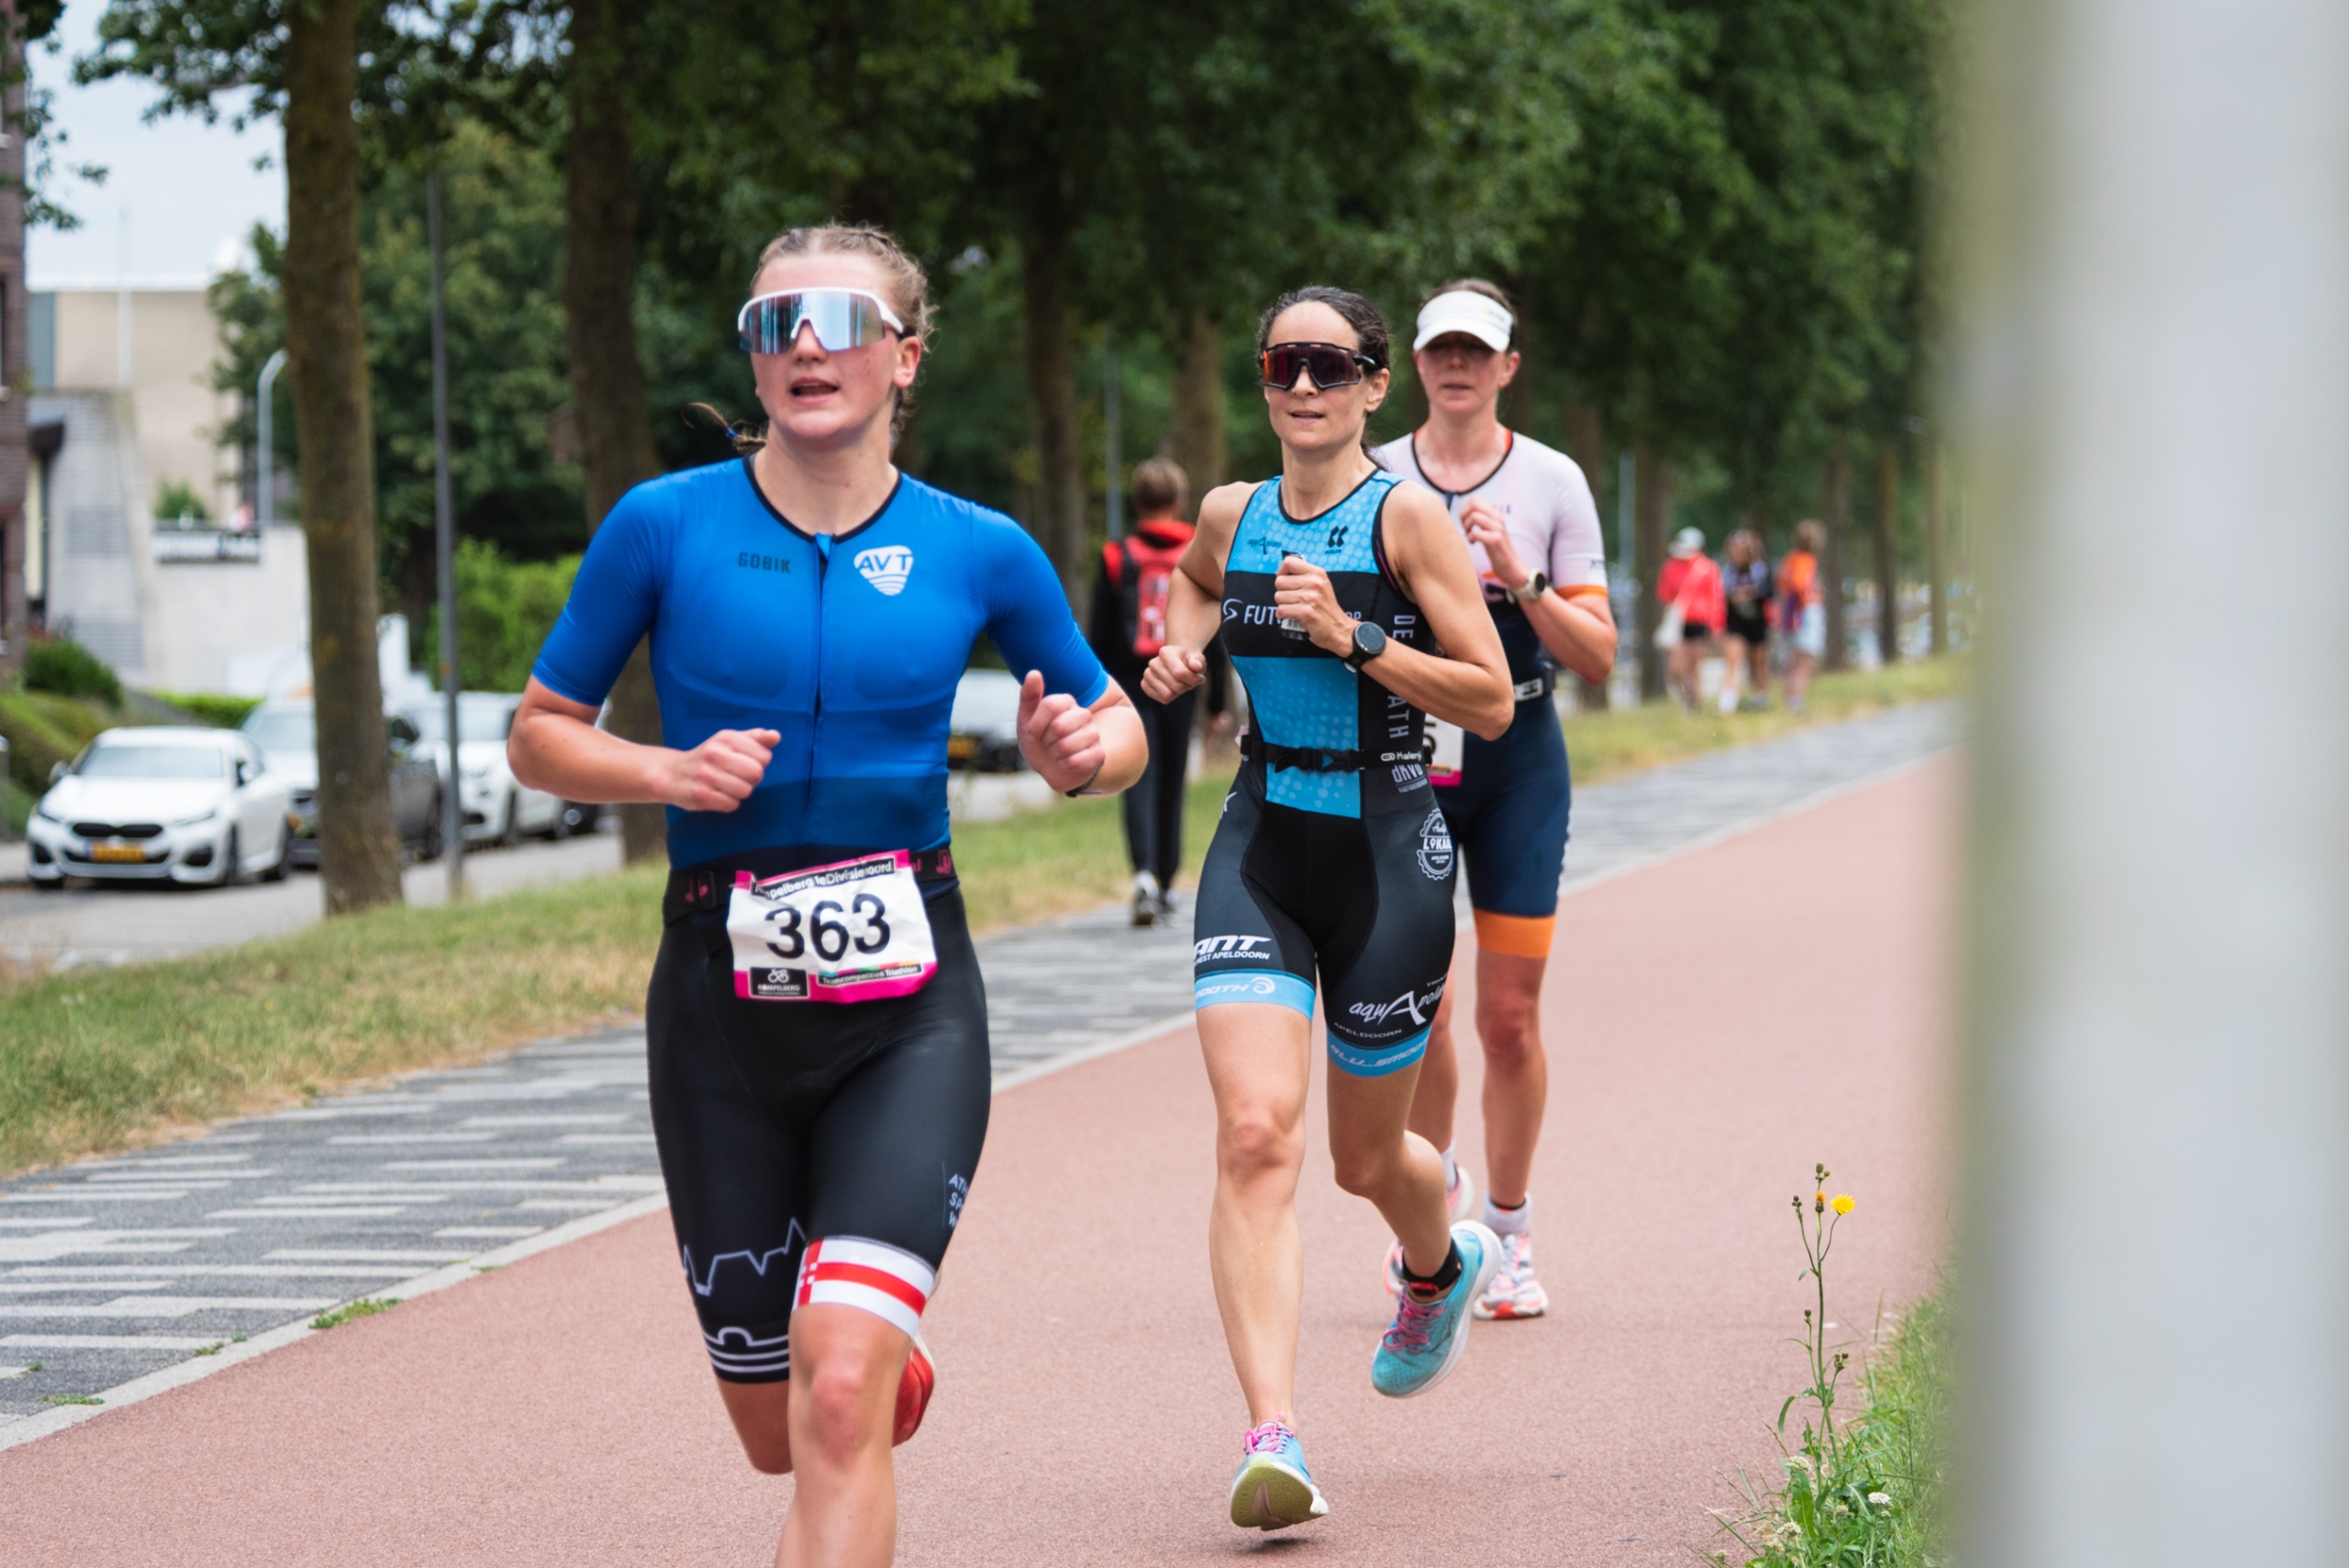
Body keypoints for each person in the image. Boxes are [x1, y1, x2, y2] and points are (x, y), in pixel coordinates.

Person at [507, 223, 1146, 1568]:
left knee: (835, 1397)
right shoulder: (661, 525)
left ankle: (859, 1349)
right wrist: (663, 768)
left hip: (909, 1007)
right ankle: (860, 1349)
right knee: (772, 1429)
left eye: (843, 320)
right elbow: (539, 732)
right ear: (752, 354)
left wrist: (1085, 753)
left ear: (904, 359)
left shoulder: (980, 548)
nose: (806, 341)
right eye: (775, 319)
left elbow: (1117, 720)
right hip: (716, 1006)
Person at [1142, 284, 1517, 1533]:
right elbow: (1196, 583)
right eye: (1281, 363)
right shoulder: (1229, 513)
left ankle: (1438, 1259)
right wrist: (1181, 646)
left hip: (1388, 846)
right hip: (1259, 839)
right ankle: (1274, 1436)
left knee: (1367, 1160)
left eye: (1330, 364)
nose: (1303, 385)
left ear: (1373, 384)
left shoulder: (1405, 517)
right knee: (1257, 1136)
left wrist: (1356, 639)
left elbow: (1492, 697)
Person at [1367, 280, 1618, 1322]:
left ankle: (1508, 1234)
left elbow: (1598, 654)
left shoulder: (1552, 480)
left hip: (1517, 757)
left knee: (1509, 1017)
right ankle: (1440, 1215)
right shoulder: (1372, 475)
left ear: (1510, 366)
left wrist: (1520, 578)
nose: (1458, 366)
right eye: (1440, 351)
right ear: (1416, 366)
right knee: (1415, 1014)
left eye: (1479, 351)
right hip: (1405, 758)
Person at [1087, 456, 1229, 926]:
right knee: (1172, 780)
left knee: (1135, 779)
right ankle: (1168, 882)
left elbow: (1100, 633)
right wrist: (1218, 702)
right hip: (1181, 679)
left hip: (1129, 684)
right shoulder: (1198, 550)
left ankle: (1144, 875)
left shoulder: (1116, 556)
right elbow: (1220, 631)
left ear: (1137, 502)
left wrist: (1095, 697)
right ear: (1180, 501)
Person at [1657, 526, 1725, 711]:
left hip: (1699, 623)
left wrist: (1715, 626)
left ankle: (1694, 705)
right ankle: (1686, 701)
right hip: (1679, 623)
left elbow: (1715, 598)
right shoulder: (1671, 566)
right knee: (1676, 669)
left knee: (1693, 668)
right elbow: (1664, 593)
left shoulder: (1707, 568)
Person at [1721, 528, 1774, 713]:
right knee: (1732, 658)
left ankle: (1761, 696)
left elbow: (1768, 592)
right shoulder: (1729, 570)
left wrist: (1750, 594)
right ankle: (1728, 701)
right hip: (1736, 622)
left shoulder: (1760, 569)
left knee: (1758, 662)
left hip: (1757, 622)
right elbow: (1722, 594)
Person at [1778, 519, 1828, 713]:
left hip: (1791, 612)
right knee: (1805, 657)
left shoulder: (1789, 559)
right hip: (1805, 612)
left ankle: (1789, 698)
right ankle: (1796, 700)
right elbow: (1800, 586)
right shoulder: (1806, 560)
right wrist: (1813, 592)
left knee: (1793, 657)